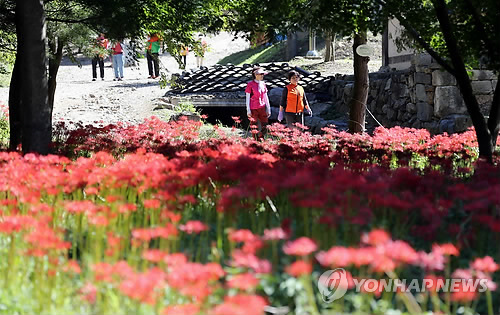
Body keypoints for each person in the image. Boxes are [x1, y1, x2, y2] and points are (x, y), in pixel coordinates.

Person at [245, 67, 271, 139]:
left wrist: (268, 108)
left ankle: (261, 137)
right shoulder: (250, 84)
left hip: (262, 107)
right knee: (254, 125)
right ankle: (255, 139)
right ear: (255, 75)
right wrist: (248, 109)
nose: (262, 76)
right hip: (253, 108)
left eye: (263, 74)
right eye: (260, 74)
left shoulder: (263, 84)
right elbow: (247, 98)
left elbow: (265, 96)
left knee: (265, 124)